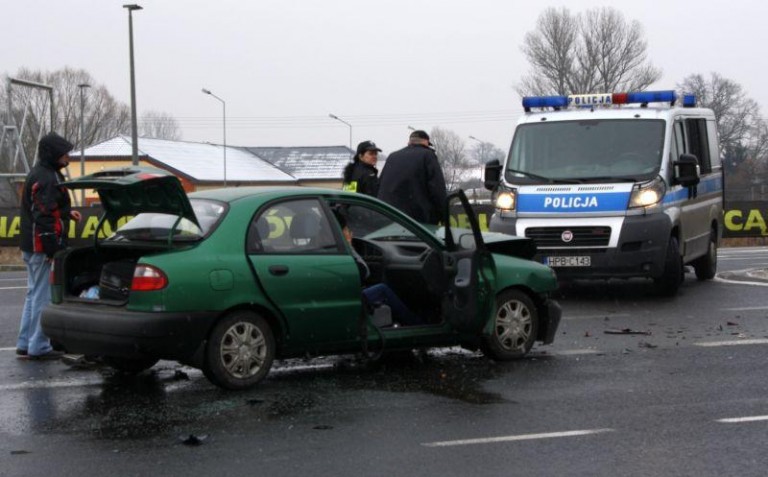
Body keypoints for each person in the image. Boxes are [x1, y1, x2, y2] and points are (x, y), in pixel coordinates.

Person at [17, 132, 81, 360]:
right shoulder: (48, 177)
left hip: (31, 245)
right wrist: (52, 250)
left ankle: (25, 343)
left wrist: (66, 213)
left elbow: (46, 208)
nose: (68, 157)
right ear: (53, 153)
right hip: (41, 247)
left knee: (33, 294)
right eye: (64, 153)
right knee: (42, 296)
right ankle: (39, 346)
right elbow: (43, 216)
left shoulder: (40, 172)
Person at [332, 208, 422, 326]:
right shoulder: (335, 246)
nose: (350, 232)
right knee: (382, 290)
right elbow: (363, 272)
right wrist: (348, 245)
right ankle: (416, 325)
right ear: (340, 231)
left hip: (339, 295)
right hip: (350, 297)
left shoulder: (321, 243)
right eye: (346, 229)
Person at [377, 130, 447, 225]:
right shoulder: (428, 155)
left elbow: (380, 185)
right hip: (417, 221)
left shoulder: (392, 156)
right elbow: (437, 188)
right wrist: (443, 215)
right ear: (426, 142)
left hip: (389, 216)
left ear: (409, 142)